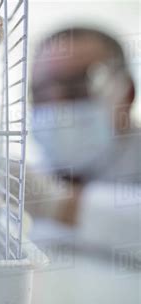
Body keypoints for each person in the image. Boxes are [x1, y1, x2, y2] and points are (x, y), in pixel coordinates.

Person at [26, 27, 140, 249]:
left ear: (127, 93)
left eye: (78, 87)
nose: (57, 105)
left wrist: (57, 203)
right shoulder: (39, 173)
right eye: (40, 93)